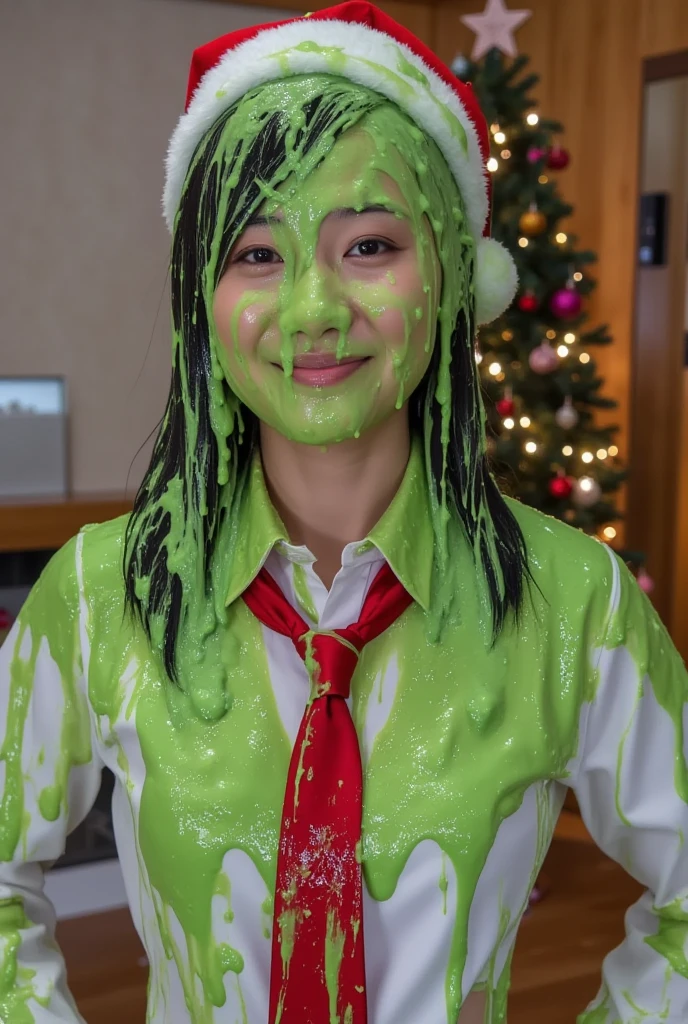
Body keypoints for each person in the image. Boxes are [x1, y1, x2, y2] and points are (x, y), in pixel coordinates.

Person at [0, 4, 687, 1022]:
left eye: (367, 245)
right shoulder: (103, 595)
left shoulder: (572, 601)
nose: (314, 308)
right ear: (203, 296)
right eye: (258, 254)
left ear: (454, 273)